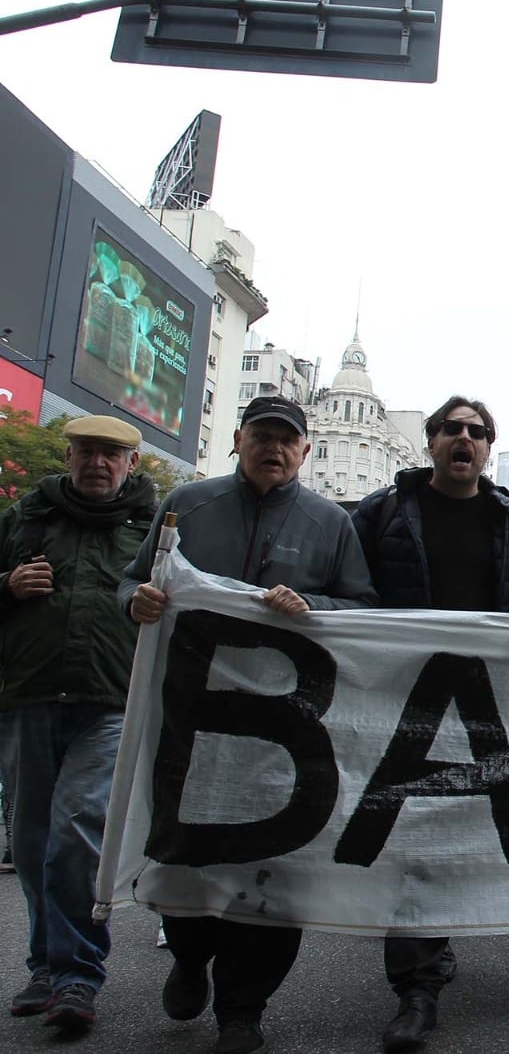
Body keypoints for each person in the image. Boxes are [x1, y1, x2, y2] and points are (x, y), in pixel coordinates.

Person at [122, 397, 377, 1054]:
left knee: (275, 873)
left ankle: (244, 1008)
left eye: (287, 440)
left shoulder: (330, 523)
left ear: (305, 452)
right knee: (186, 858)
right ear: (237, 440)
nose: (274, 448)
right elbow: (131, 583)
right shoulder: (189, 504)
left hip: (285, 738)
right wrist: (141, 600)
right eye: (262, 435)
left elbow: (360, 608)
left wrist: (311, 604)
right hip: (192, 729)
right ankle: (188, 954)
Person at [351, 396, 509, 1051]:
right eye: (452, 429)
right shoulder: (381, 512)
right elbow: (351, 596)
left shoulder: (508, 521)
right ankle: (417, 987)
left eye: (477, 431)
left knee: (465, 832)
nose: (465, 438)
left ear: (488, 448)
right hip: (400, 699)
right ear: (432, 442)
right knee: (412, 839)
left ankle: (429, 953)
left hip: (478, 700)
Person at [0, 415, 157, 1034]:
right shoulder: (24, 519)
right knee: (33, 842)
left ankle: (76, 977)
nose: (98, 463)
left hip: (111, 703)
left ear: (130, 465)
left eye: (111, 455)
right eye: (87, 452)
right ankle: (46, 965)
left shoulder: (156, 530)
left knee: (74, 833)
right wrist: (7, 585)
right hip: (29, 698)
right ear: (68, 455)